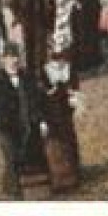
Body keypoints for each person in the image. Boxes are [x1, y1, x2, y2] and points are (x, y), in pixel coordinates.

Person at [0, 45, 46, 199]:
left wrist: (41, 120)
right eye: (9, 59)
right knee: (11, 155)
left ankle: (9, 184)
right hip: (4, 126)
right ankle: (15, 193)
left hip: (24, 124)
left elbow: (36, 101)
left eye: (15, 58)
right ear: (4, 61)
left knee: (22, 156)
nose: (13, 62)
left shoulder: (27, 77)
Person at [40, 57, 82, 194]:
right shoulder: (44, 71)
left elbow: (75, 90)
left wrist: (75, 100)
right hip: (50, 111)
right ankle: (58, 179)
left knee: (68, 140)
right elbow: (41, 92)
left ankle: (73, 176)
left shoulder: (70, 68)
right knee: (53, 145)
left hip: (65, 111)